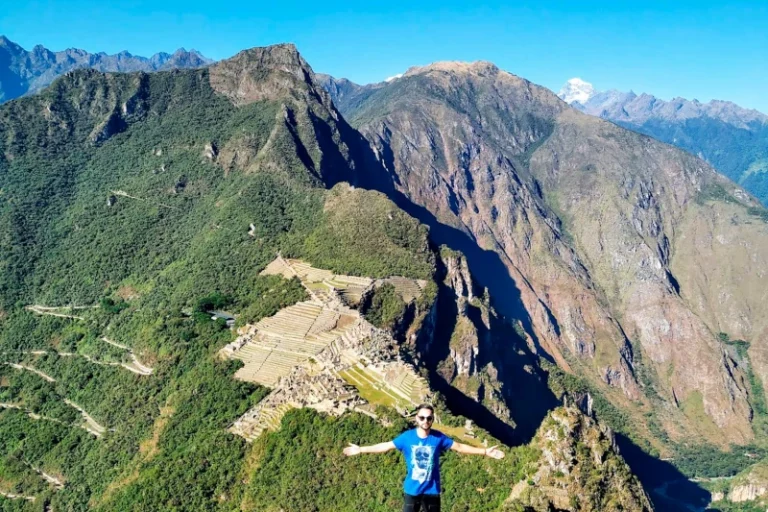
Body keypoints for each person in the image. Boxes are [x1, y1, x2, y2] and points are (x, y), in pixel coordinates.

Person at [343, 403, 505, 512]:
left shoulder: (439, 438)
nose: (425, 420)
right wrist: (361, 449)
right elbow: (385, 446)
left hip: (432, 491)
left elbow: (460, 447)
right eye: (422, 417)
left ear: (433, 419)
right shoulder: (406, 438)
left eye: (429, 418)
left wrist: (484, 452)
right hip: (412, 490)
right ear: (416, 418)